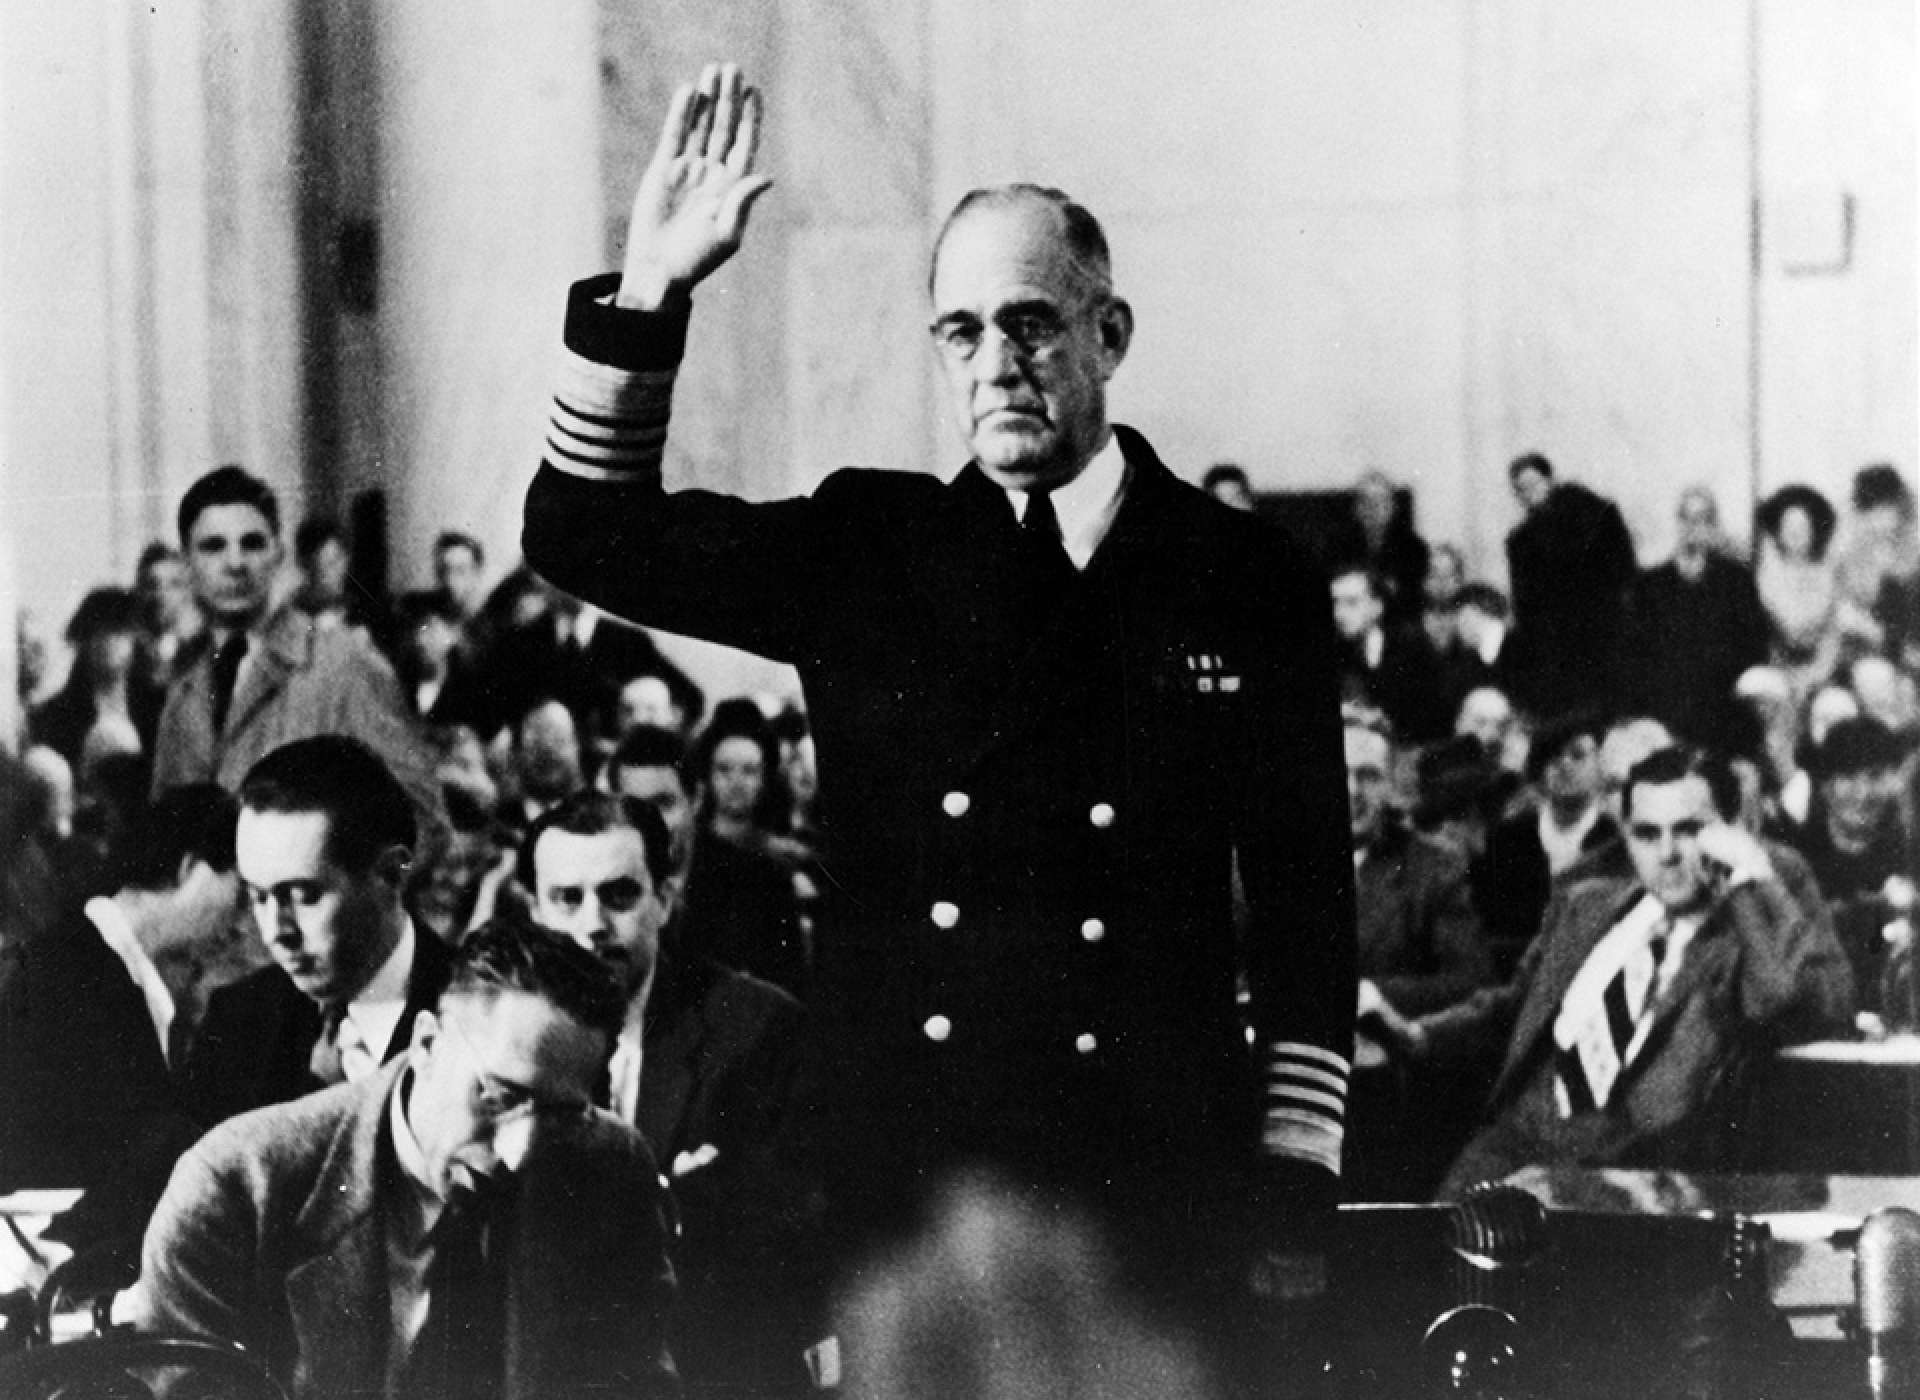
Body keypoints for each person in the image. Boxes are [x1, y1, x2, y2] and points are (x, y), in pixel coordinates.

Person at [521, 62, 1355, 1368]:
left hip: (1152, 1177)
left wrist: (1297, 1179)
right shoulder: (874, 547)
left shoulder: (1240, 578)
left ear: (1110, 334)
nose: (998, 365)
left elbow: (1309, 919)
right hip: (911, 1188)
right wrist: (651, 290)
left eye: (1031, 325)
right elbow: (584, 534)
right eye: (963, 332)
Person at [134, 916, 679, 1400]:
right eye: (500, 1096)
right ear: (424, 1042)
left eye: (560, 1115)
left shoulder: (611, 1169)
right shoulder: (236, 1186)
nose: (520, 1152)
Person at [1379, 746, 1854, 1194]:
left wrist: (1751, 879)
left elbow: (1805, 999)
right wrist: (1420, 1034)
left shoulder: (1745, 934)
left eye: (1687, 830)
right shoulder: (1585, 904)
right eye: (1646, 833)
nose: (1666, 853)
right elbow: (1513, 1006)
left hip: (1633, 1171)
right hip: (1511, 1148)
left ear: (1729, 830)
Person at [526, 790, 811, 1395]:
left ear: (665, 898)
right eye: (567, 899)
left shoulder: (754, 1027)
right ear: (534, 911)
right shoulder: (506, 1041)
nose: (592, 925)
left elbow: (784, 1245)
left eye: (619, 895)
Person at [178, 736, 453, 1130]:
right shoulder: (237, 1020)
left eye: (304, 896)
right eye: (259, 897)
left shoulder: (478, 1013)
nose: (276, 931)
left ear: (391, 874)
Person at [149, 465, 440, 828]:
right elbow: (163, 835)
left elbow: (423, 819)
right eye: (213, 547)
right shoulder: (184, 690)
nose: (236, 563)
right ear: (188, 565)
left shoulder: (343, 663)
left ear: (278, 555)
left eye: (252, 543)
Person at [1344, 708, 1492, 1200]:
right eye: (1339, 773)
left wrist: (1374, 994)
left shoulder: (1435, 869)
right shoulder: (1267, 868)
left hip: (1383, 1078)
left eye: (1367, 776)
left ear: (1390, 786)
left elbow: (1469, 978)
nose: (1351, 791)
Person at [1620, 487, 1770, 744]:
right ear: (1677, 524)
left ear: (1713, 526)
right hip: (1665, 698)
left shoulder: (1736, 581)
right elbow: (1636, 651)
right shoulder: (1651, 584)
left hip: (1721, 696)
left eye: (1701, 519)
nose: (1692, 527)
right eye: (1686, 518)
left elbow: (1753, 644)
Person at [1502, 452, 1638, 721]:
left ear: (1550, 480)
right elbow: (1524, 604)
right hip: (1554, 646)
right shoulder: (1521, 542)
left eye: (1534, 483)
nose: (1530, 493)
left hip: (1600, 632)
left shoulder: (1594, 514)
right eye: (1521, 489)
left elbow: (1623, 570)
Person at [31, 587, 168, 768]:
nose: (108, 641)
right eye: (98, 631)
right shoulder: (53, 715)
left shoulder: (158, 707)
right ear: (83, 639)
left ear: (135, 638)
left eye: (118, 630)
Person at [1329, 564, 1448, 743]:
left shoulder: (1410, 647)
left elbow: (1430, 716)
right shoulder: (1338, 651)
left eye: (1351, 602)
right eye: (1335, 603)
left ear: (1377, 607)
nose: (1339, 613)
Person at [1754, 483, 1842, 701]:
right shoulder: (1765, 577)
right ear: (1778, 531)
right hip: (1774, 671)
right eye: (1788, 525)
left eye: (1802, 527)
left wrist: (1815, 676)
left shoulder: (1828, 576)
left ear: (1813, 531)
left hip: (1821, 672)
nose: (1795, 533)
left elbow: (1833, 636)